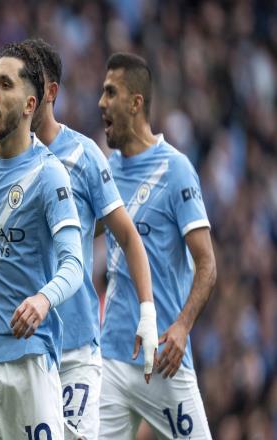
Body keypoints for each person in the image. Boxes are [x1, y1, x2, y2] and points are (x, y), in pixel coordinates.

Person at [0, 42, 83, 439]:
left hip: (30, 361)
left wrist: (43, 300)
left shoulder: (49, 174)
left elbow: (74, 265)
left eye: (5, 85)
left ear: (29, 105)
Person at [24, 38, 158, 440]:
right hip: (21, 347)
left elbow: (128, 236)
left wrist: (147, 314)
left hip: (76, 347)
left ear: (50, 91)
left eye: (31, 83)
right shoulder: (2, 159)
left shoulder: (83, 156)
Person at [98, 52, 217, 439]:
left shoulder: (176, 169)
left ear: (136, 103)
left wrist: (182, 327)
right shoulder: (106, 172)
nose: (101, 103)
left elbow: (207, 265)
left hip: (163, 357)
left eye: (110, 92)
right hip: (112, 358)